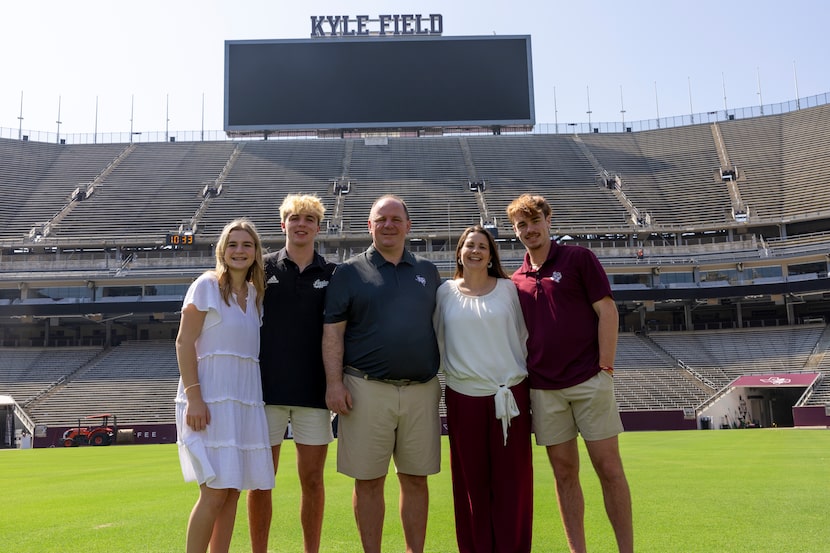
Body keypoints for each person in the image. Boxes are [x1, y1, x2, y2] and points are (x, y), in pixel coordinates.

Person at [506, 194, 634, 553]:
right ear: (515, 232)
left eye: (534, 221)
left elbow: (607, 312)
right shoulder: (516, 280)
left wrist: (605, 368)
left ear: (549, 220)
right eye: (521, 225)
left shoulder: (578, 258)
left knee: (609, 469)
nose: (529, 230)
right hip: (545, 390)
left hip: (589, 380)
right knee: (564, 475)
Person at [323, 194, 442, 553]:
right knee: (368, 481)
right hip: (366, 388)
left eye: (395, 219)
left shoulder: (428, 271)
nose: (388, 225)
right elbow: (333, 333)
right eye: (381, 219)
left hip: (421, 389)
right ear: (369, 226)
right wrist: (333, 383)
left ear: (408, 226)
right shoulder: (348, 272)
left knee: (416, 480)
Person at [175, 218, 274, 553]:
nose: (239, 250)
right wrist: (194, 399)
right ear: (222, 249)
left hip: (242, 402)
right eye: (232, 244)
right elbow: (183, 342)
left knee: (232, 490)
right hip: (209, 402)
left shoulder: (254, 294)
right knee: (215, 490)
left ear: (256, 252)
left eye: (247, 245)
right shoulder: (206, 285)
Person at [433, 225, 533, 553]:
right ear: (459, 251)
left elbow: (524, 338)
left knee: (512, 485)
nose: (475, 251)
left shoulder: (508, 290)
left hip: (510, 397)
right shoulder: (444, 292)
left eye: (483, 247)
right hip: (464, 397)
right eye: (469, 245)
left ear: (491, 256)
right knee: (470, 485)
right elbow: (438, 341)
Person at [247, 194, 336, 553]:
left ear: (318, 226)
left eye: (309, 219)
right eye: (294, 218)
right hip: (264, 393)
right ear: (283, 224)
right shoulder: (260, 268)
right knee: (260, 481)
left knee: (313, 481)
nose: (301, 224)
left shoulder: (333, 273)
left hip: (314, 395)